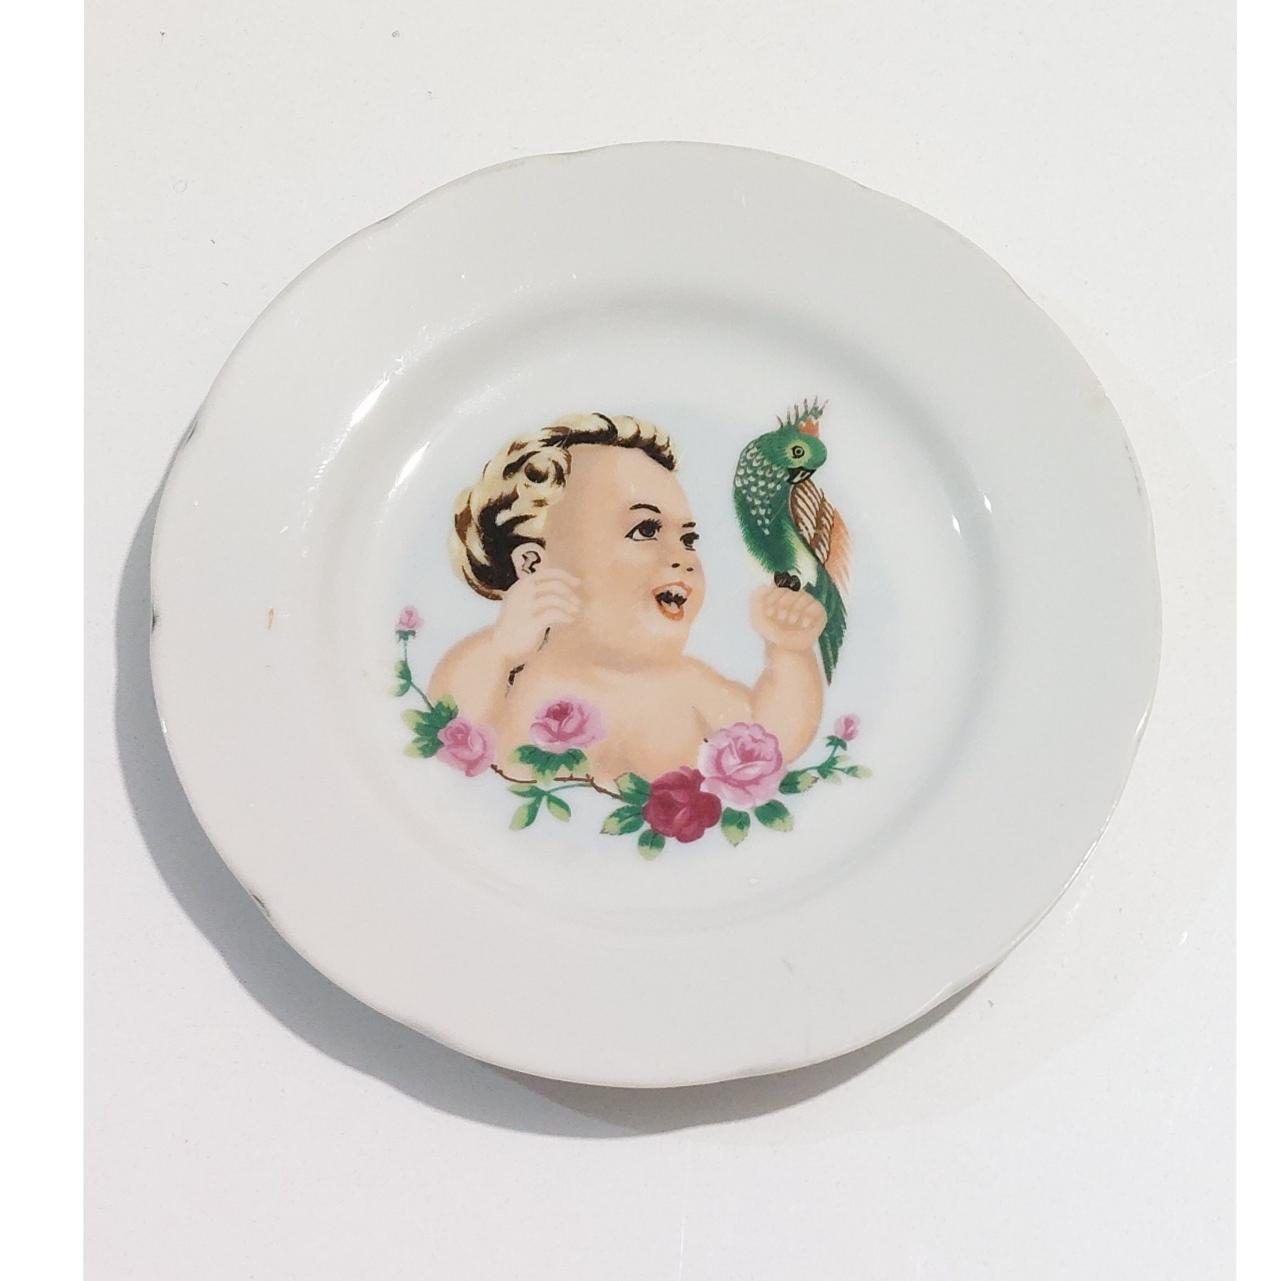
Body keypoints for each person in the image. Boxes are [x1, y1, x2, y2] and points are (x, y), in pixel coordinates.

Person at [430, 412, 828, 780]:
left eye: (688, 539)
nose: (683, 558)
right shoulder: (515, 676)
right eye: (645, 530)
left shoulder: (687, 684)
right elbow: (445, 729)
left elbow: (773, 741)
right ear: (535, 566)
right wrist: (500, 648)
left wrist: (789, 655)